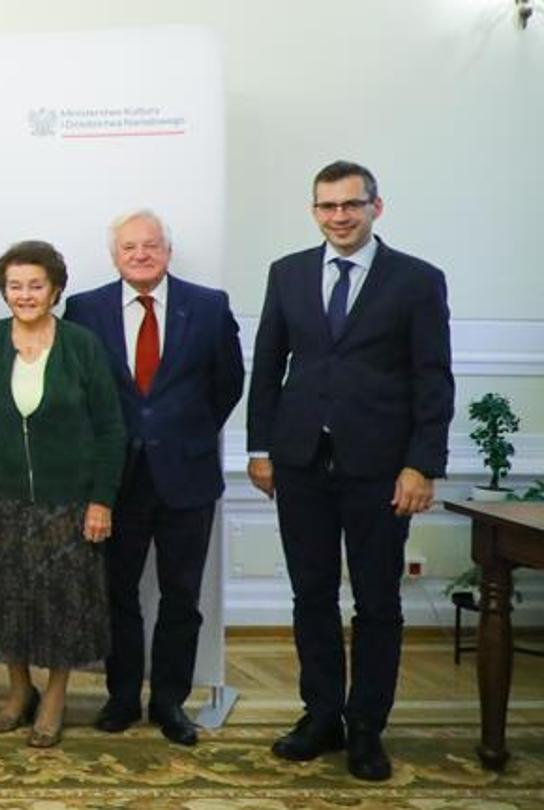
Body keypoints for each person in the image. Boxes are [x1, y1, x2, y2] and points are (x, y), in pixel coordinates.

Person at [248, 161, 453, 781]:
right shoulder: (287, 273)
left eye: (351, 205)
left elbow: (432, 378)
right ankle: (321, 717)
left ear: (376, 208)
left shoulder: (417, 280)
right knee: (310, 595)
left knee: (376, 601)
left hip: (381, 468)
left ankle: (366, 727)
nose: (339, 216)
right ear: (314, 211)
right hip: (300, 462)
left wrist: (422, 463)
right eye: (327, 206)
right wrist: (260, 447)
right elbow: (266, 364)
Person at [62, 210, 244, 747]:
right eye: (129, 247)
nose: (140, 255)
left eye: (151, 245)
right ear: (113, 255)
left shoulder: (208, 307)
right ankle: (121, 699)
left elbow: (227, 385)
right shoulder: (85, 310)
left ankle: (170, 703)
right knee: (116, 593)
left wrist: (182, 433)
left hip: (186, 476)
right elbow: (81, 392)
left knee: (181, 596)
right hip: (115, 480)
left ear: (168, 249)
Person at [0, 240, 125, 748]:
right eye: (15, 286)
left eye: (35, 285)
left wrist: (102, 499)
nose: (24, 294)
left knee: (62, 604)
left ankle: (54, 695)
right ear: (3, 291)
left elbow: (111, 429)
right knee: (8, 601)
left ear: (54, 290)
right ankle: (18, 690)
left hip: (68, 501)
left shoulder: (81, 345)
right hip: (1, 500)